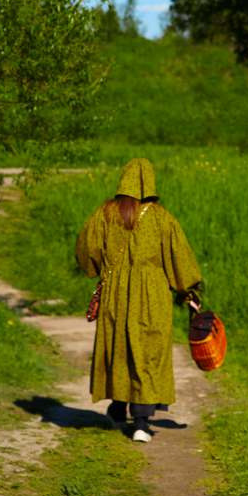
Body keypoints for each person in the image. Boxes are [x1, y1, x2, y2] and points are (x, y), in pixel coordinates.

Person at [75, 156, 202, 443]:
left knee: (118, 348)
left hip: (115, 296)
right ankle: (141, 422)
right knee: (147, 352)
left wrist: (97, 270)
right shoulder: (161, 218)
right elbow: (178, 258)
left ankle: (118, 408)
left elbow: (87, 249)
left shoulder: (105, 214)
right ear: (150, 183)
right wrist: (188, 292)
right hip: (153, 296)